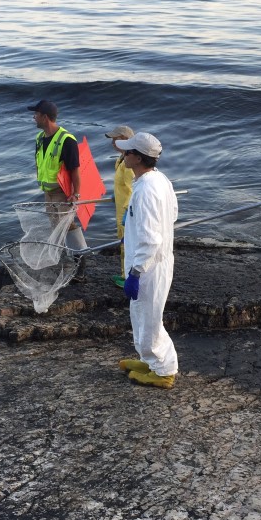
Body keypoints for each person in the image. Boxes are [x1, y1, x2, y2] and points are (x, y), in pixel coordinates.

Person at [114, 132, 178, 389]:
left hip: (149, 267)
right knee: (142, 315)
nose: (123, 155)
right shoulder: (159, 180)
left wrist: (136, 272)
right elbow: (173, 213)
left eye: (127, 152)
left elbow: (151, 239)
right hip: (155, 261)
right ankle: (150, 360)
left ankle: (164, 371)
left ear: (138, 158)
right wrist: (131, 228)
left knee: (150, 319)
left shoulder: (145, 189)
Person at [27, 99, 89, 255]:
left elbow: (75, 169)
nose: (34, 117)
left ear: (45, 117)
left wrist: (76, 194)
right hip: (47, 192)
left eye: (36, 114)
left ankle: (80, 257)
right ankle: (63, 256)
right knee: (55, 225)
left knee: (67, 225)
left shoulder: (66, 140)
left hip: (62, 193)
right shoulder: (39, 138)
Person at [105, 125, 136, 289]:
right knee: (124, 243)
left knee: (128, 244)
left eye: (115, 139)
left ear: (124, 139)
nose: (112, 143)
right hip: (120, 208)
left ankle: (128, 277)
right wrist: (115, 195)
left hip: (126, 211)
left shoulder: (129, 164)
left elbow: (132, 190)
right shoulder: (122, 159)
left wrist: (128, 212)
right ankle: (125, 274)